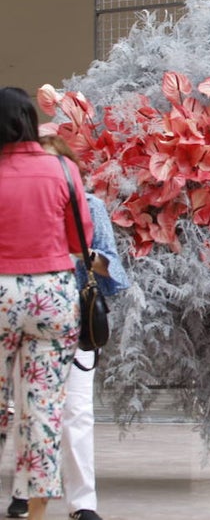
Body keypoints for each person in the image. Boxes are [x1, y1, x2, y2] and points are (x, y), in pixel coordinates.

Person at [5, 136, 132, 520]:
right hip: (20, 318)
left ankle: (83, 503)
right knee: (24, 408)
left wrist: (82, 252)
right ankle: (24, 493)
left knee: (76, 412)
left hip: (71, 322)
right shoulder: (15, 201)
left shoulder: (89, 208)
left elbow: (115, 274)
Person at [0, 87, 89, 520]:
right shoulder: (63, 170)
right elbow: (81, 242)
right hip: (52, 294)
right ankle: (35, 513)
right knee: (44, 407)